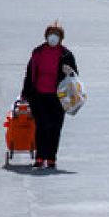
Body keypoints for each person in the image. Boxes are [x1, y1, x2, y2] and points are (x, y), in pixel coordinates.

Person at [21, 22, 78, 169]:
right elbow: (30, 73)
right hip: (38, 95)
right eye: (51, 34)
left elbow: (75, 75)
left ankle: (51, 158)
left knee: (55, 127)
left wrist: (69, 72)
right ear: (46, 36)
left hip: (59, 97)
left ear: (61, 38)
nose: (53, 37)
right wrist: (25, 93)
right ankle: (40, 157)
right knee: (42, 125)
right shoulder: (38, 52)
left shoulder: (66, 54)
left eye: (57, 35)